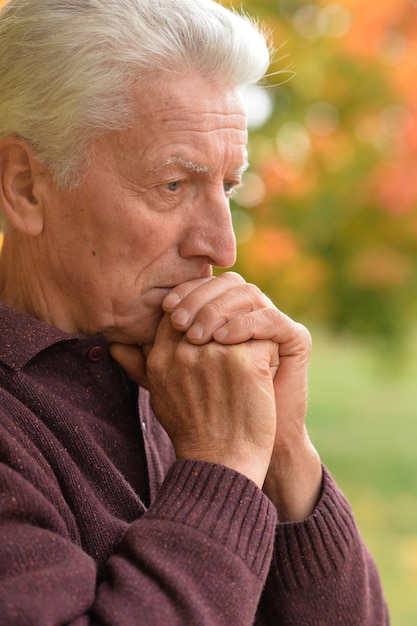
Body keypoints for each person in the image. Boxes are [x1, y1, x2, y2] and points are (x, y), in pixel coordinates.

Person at [0, 0, 388, 624]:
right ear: (24, 185)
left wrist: (282, 451)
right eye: (173, 185)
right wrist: (224, 464)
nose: (223, 246)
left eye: (229, 187)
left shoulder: (195, 378)